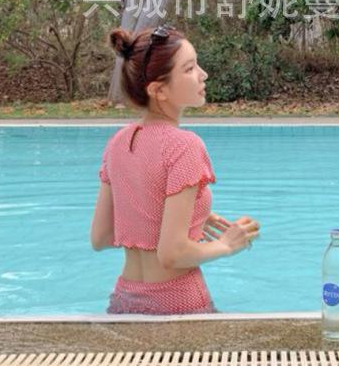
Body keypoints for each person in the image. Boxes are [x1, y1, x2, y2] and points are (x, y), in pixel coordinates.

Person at [90, 24, 260, 315]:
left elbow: (101, 237)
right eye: (189, 68)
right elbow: (172, 254)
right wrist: (226, 245)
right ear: (158, 90)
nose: (203, 74)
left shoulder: (118, 142)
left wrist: (187, 215)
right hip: (178, 302)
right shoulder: (184, 146)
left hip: (124, 300)